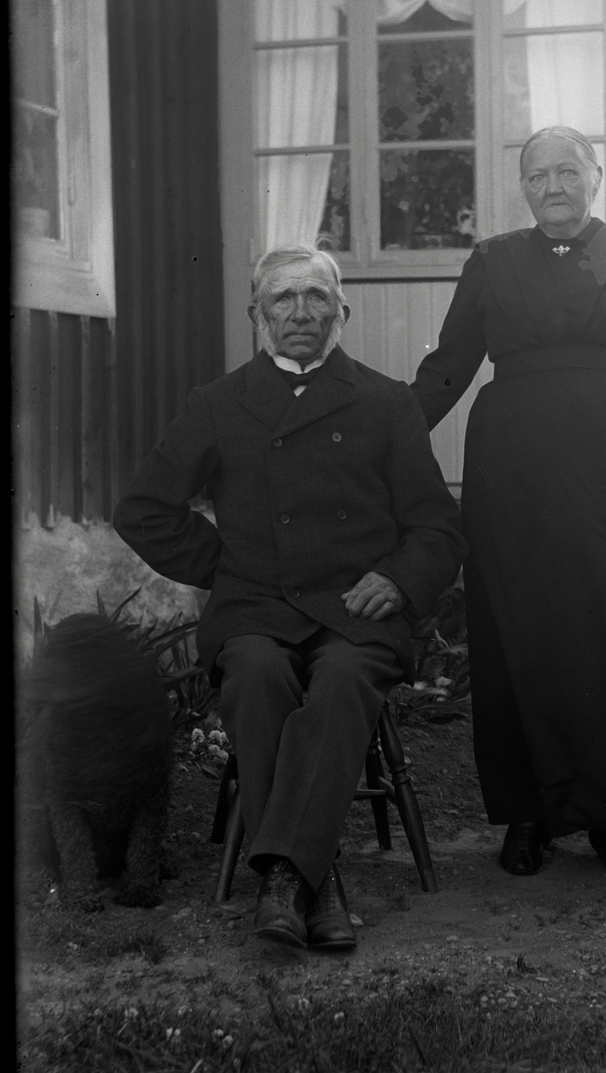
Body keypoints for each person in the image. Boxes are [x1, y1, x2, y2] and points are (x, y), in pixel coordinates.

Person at [113, 246, 466, 950]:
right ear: (258, 315)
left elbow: (437, 527)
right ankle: (318, 880)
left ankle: (284, 879)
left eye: (316, 297)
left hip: (357, 609)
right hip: (255, 608)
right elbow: (144, 510)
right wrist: (228, 568)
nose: (300, 312)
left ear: (342, 312)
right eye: (283, 298)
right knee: (256, 674)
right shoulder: (218, 404)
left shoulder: (386, 402)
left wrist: (397, 579)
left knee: (341, 680)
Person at [410, 126, 606, 879]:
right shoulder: (492, 261)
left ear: (595, 177)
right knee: (522, 633)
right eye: (538, 175)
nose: (553, 186)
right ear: (523, 187)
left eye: (568, 171)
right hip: (514, 478)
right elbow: (449, 368)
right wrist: (377, 437)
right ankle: (530, 814)